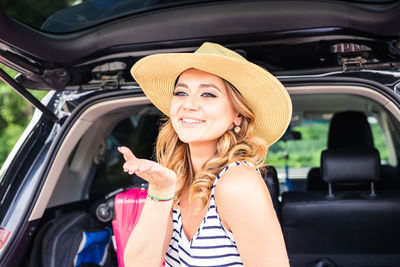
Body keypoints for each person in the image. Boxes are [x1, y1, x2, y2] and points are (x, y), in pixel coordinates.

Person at [118, 42, 292, 266]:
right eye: (181, 92)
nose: (189, 104)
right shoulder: (176, 179)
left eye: (208, 94)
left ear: (237, 115)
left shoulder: (238, 183)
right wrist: (160, 191)